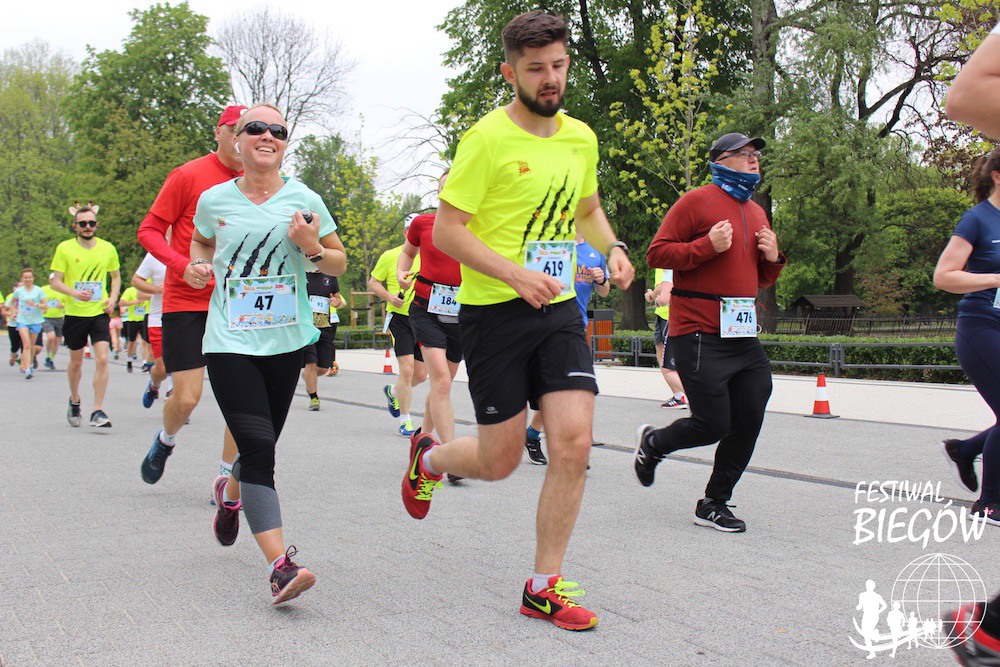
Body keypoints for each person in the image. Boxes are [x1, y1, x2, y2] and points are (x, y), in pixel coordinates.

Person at [400, 11, 634, 631]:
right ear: (510, 73)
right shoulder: (485, 140)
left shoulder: (580, 137)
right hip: (495, 313)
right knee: (499, 460)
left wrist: (612, 246)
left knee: (573, 442)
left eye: (558, 65)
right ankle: (430, 460)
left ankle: (542, 586)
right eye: (535, 69)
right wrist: (514, 275)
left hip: (557, 310)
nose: (549, 78)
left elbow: (587, 208)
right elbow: (448, 231)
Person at [190, 103, 346, 603]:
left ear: (284, 143)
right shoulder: (214, 199)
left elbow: (338, 262)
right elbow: (200, 243)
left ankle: (231, 495)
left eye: (276, 130)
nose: (266, 135)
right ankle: (281, 567)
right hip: (229, 340)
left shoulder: (305, 199)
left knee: (260, 444)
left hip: (285, 341)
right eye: (254, 128)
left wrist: (312, 246)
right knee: (260, 449)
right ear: (236, 140)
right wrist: (198, 266)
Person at [634, 131, 785, 534]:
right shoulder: (695, 201)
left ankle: (714, 502)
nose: (754, 159)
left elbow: (761, 279)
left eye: (756, 154)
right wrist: (706, 245)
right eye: (744, 153)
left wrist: (773, 258)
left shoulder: (757, 211)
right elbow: (657, 253)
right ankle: (654, 444)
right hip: (698, 331)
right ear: (720, 160)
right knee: (713, 424)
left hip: (742, 335)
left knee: (750, 414)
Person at [136, 105, 246, 490]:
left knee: (242, 400)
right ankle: (165, 440)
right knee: (186, 400)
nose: (240, 137)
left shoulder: (261, 182)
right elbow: (149, 231)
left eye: (248, 130)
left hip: (237, 304)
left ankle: (225, 477)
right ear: (218, 132)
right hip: (187, 300)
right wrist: (181, 265)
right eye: (233, 129)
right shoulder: (188, 175)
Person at [933, 147, 1000, 527]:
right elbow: (943, 276)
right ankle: (988, 504)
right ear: (997, 176)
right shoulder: (977, 219)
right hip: (981, 326)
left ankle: (966, 450)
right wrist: (995, 278)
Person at [524, 232, 611, 465]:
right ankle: (534, 435)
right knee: (557, 390)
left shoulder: (595, 251)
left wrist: (601, 280)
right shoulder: (548, 241)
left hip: (575, 326)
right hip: (543, 323)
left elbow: (605, 291)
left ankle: (542, 438)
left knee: (572, 389)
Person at [398, 173, 463, 457]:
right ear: (438, 191)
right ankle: (449, 454)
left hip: (463, 314)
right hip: (426, 309)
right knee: (442, 382)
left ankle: (421, 439)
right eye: (445, 186)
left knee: (441, 386)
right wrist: (401, 272)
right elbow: (407, 253)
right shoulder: (422, 224)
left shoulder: (479, 225)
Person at [50, 203, 122, 427]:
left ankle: (97, 410)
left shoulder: (108, 248)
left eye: (91, 223)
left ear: (97, 225)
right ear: (75, 226)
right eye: (83, 224)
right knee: (76, 363)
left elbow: (116, 277)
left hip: (99, 312)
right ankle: (74, 400)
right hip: (75, 313)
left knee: (102, 359)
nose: (87, 226)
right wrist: (74, 293)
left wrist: (113, 298)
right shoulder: (65, 248)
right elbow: (55, 282)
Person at [370, 220, 427, 436]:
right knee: (407, 370)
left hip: (423, 318)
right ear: (405, 232)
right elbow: (373, 282)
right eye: (413, 231)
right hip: (400, 318)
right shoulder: (390, 255)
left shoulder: (429, 255)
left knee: (420, 375)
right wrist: (389, 297)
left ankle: (394, 392)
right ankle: (406, 421)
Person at [302, 268, 344, 411]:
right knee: (311, 363)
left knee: (323, 368)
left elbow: (338, 299)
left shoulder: (330, 276)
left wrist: (336, 302)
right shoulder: (301, 274)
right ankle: (314, 397)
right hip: (306, 327)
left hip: (325, 326)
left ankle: (307, 376)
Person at [645, 268, 687, 409]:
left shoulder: (667, 263)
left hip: (670, 315)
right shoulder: (662, 266)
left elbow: (664, 290)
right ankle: (678, 396)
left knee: (667, 365)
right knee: (661, 355)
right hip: (663, 315)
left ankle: (696, 398)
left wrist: (652, 296)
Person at [133, 253, 167, 408]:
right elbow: (136, 281)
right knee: (162, 369)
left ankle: (178, 404)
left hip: (184, 317)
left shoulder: (194, 250)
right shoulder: (156, 253)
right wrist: (157, 289)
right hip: (158, 319)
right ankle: (154, 385)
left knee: (181, 366)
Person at [12, 268, 47, 380]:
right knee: (26, 345)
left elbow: (45, 305)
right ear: (22, 279)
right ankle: (26, 368)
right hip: (22, 320)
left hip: (35, 320)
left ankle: (30, 364)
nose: (28, 279)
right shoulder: (19, 291)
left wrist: (35, 305)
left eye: (29, 277)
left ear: (33, 278)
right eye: (25, 277)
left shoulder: (38, 290)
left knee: (32, 346)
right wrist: (14, 311)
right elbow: (12, 302)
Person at [118, 284, 150, 372]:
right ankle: (129, 360)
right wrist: (136, 302)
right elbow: (122, 303)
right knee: (132, 342)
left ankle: (144, 362)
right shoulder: (130, 290)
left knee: (144, 341)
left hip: (144, 319)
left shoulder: (148, 289)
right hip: (133, 320)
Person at [41, 276, 66, 370]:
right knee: (51, 337)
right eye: (52, 279)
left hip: (59, 317)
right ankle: (48, 355)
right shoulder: (43, 289)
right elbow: (37, 300)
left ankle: (51, 359)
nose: (54, 281)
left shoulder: (63, 290)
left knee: (57, 340)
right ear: (49, 280)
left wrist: (62, 305)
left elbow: (69, 303)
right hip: (46, 317)